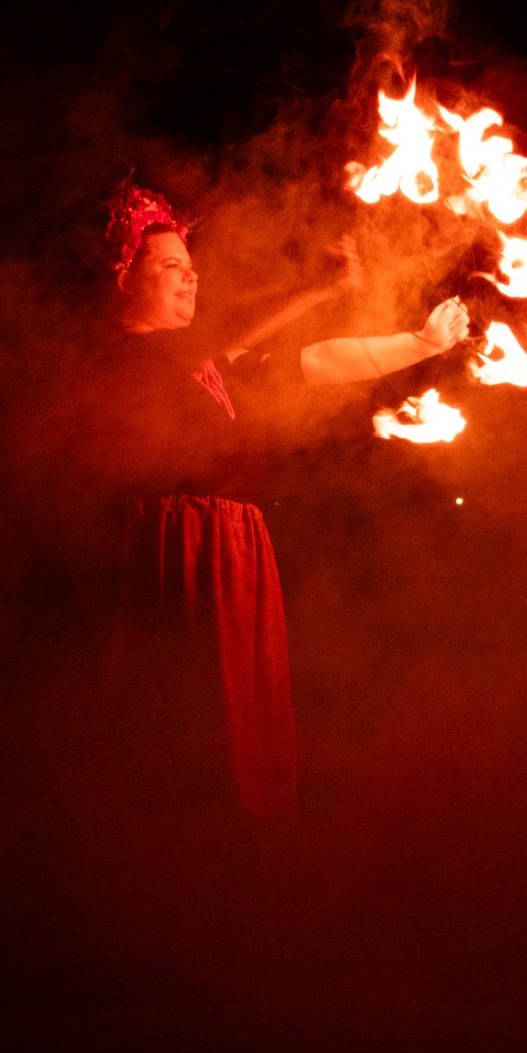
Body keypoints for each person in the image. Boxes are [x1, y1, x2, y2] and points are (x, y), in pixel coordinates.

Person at [93, 180, 468, 819]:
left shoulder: (214, 363)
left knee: (242, 726)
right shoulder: (123, 355)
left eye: (192, 267)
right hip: (179, 554)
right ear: (126, 278)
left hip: (235, 554)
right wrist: (312, 286)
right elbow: (223, 328)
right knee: (186, 730)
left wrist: (422, 344)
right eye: (171, 266)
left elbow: (318, 361)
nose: (190, 280)